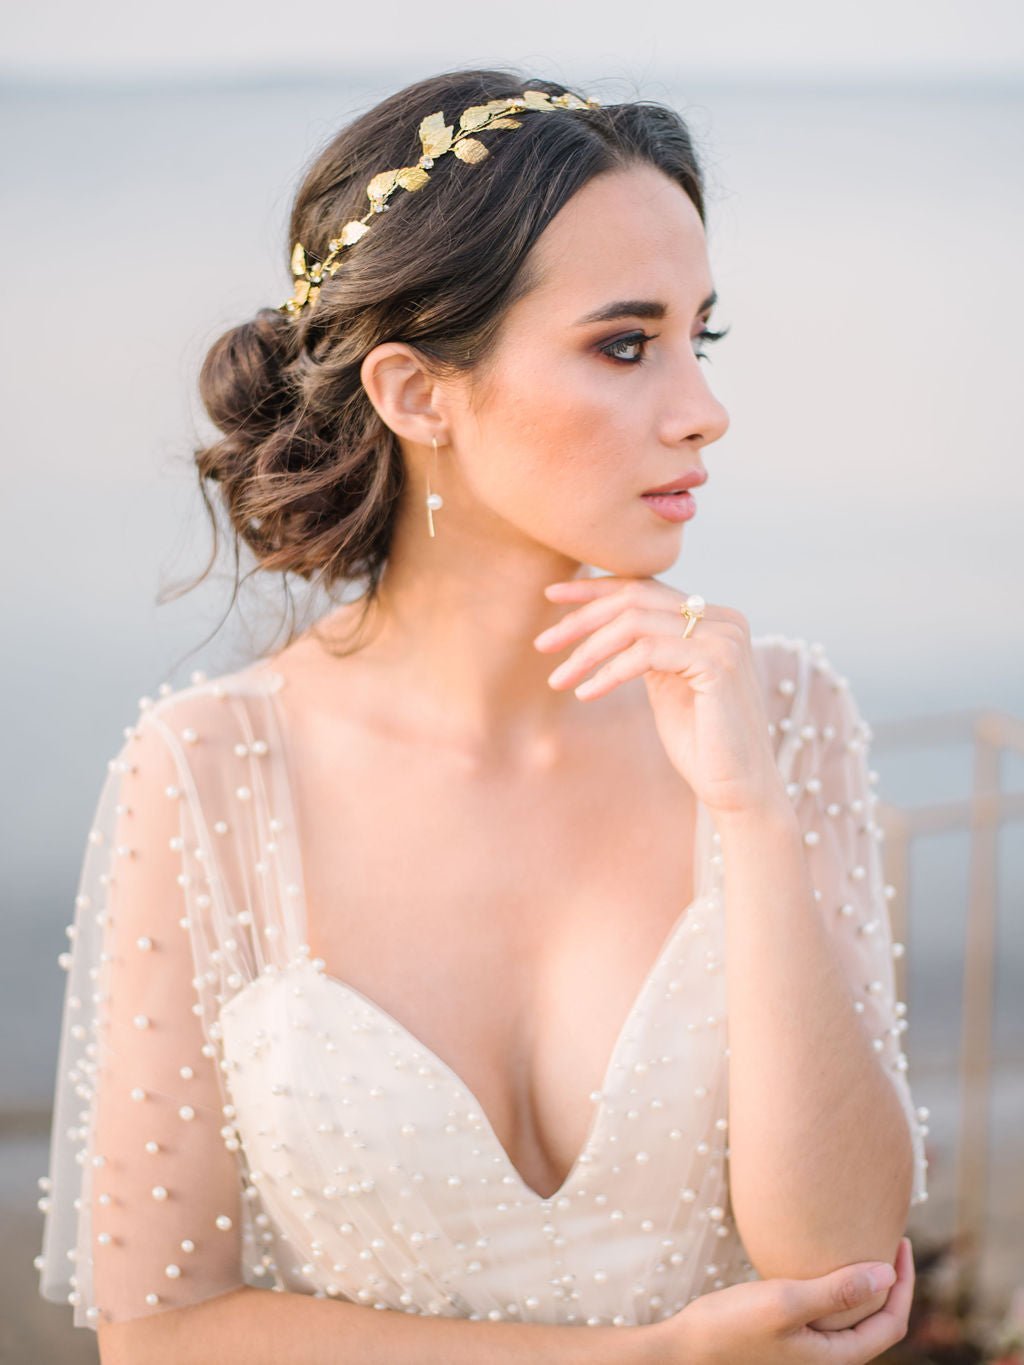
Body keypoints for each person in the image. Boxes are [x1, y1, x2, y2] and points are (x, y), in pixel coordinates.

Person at [35, 66, 929, 1363]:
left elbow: (840, 1259)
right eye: (626, 344)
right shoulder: (212, 769)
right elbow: (161, 1327)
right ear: (417, 394)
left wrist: (747, 808)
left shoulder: (782, 714)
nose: (703, 408)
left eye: (700, 337)